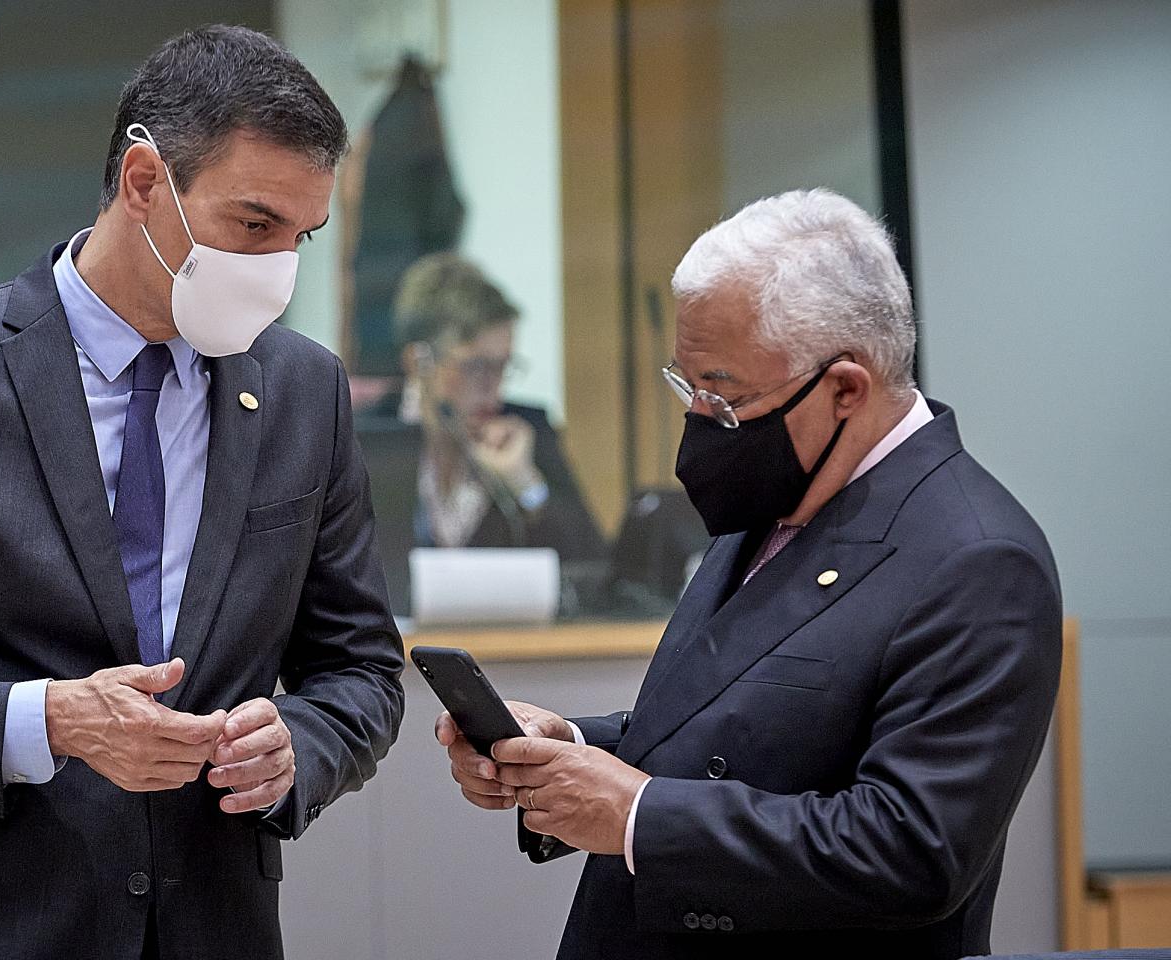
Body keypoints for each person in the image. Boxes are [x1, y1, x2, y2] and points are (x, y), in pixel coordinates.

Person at [0, 26, 404, 960]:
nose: (279, 270)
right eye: (254, 225)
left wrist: (300, 745)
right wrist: (43, 723)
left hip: (212, 928)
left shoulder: (302, 390)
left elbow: (363, 672)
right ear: (143, 183)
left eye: (303, 237)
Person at [435, 189, 1062, 958]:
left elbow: (912, 850)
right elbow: (728, 727)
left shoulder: (979, 560)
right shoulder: (782, 485)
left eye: (725, 399)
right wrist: (569, 747)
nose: (700, 421)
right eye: (687, 386)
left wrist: (638, 816)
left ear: (844, 389)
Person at [357, 253, 604, 612]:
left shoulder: (528, 429)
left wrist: (526, 485)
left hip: (511, 651)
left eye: (502, 367)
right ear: (418, 362)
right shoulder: (368, 438)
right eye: (475, 367)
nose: (494, 389)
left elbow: (594, 568)